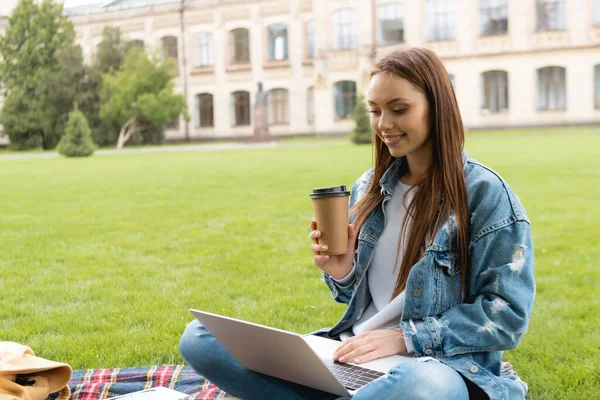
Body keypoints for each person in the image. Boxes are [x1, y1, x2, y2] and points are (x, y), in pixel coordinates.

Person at [179, 47, 535, 400]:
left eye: (399, 109)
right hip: (353, 358)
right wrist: (343, 273)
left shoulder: (486, 195)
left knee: (425, 386)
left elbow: (506, 316)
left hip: (436, 368)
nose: (383, 124)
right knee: (199, 338)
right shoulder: (370, 186)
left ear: (437, 107)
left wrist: (404, 337)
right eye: (375, 111)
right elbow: (361, 300)